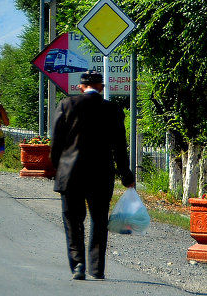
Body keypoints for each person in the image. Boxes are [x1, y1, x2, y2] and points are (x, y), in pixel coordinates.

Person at [49, 71, 135, 281]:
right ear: (101, 87)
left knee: (72, 220)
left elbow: (56, 144)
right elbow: (119, 148)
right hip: (101, 175)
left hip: (70, 175)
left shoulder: (66, 105)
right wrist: (126, 175)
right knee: (99, 221)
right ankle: (97, 268)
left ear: (80, 87)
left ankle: (78, 265)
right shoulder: (112, 110)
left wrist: (56, 169)